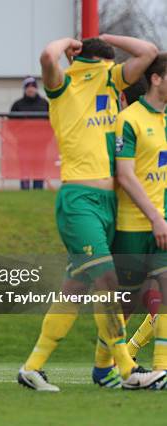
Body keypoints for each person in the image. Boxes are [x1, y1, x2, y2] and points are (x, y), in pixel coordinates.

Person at [18, 35, 164, 392]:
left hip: (108, 204)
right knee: (106, 284)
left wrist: (103, 41)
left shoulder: (111, 80)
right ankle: (127, 369)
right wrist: (70, 42)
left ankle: (31, 368)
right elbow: (46, 55)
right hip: (78, 200)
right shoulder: (63, 87)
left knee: (74, 290)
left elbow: (148, 53)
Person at [113, 54, 167, 389]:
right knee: (125, 302)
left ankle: (160, 367)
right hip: (134, 223)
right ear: (157, 79)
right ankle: (113, 360)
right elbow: (125, 175)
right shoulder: (130, 119)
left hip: (161, 219)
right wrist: (153, 217)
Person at [10, 76, 49, 190]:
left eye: (33, 86)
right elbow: (11, 124)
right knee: (24, 169)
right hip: (23, 144)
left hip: (41, 144)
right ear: (24, 89)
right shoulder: (17, 105)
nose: (31, 89)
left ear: (36, 88)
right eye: (28, 87)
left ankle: (38, 190)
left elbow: (51, 123)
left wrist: (46, 138)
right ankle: (25, 190)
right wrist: (19, 136)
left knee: (39, 169)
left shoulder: (44, 103)